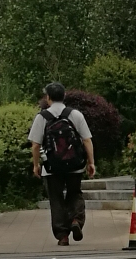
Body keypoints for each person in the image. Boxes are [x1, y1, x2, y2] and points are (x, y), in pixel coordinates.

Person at [30, 83, 96, 245]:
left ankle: (62, 236)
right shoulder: (75, 115)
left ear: (48, 98)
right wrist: (91, 162)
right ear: (64, 96)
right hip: (75, 165)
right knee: (75, 193)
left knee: (56, 199)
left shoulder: (42, 117)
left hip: (52, 167)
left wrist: (36, 165)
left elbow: (36, 145)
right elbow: (87, 140)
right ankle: (76, 221)